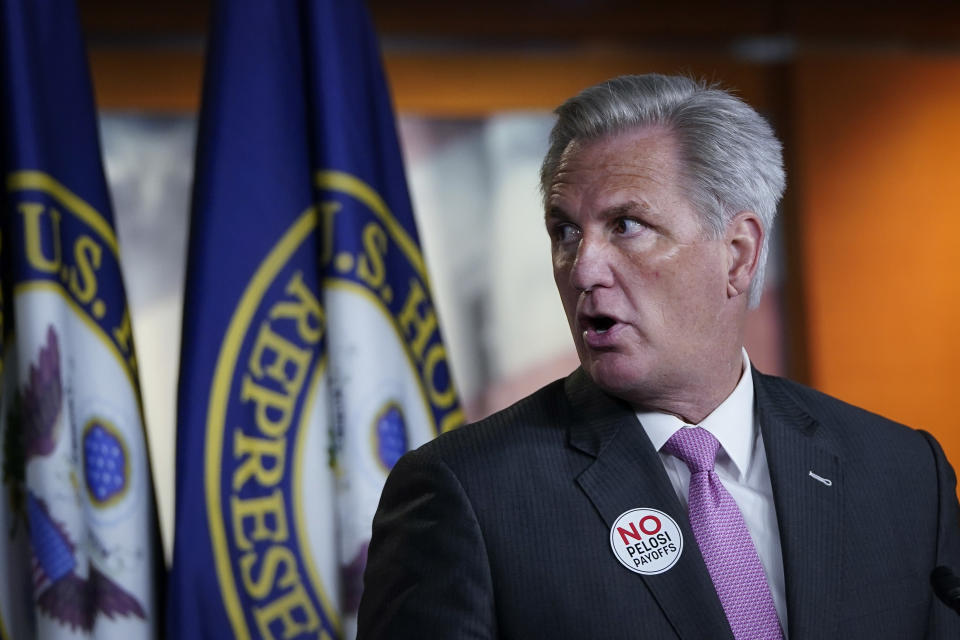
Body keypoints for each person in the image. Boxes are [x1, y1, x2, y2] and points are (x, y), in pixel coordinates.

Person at [356, 74, 960, 639]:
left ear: (739, 255)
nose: (583, 268)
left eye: (626, 225)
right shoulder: (467, 493)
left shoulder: (906, 476)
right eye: (565, 231)